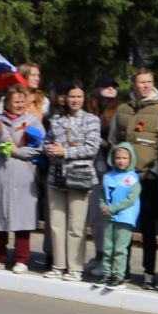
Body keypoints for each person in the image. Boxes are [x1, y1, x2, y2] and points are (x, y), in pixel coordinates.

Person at [112, 69, 158, 285]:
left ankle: (149, 273)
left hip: (147, 178)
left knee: (148, 228)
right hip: (124, 178)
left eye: (150, 82)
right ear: (133, 85)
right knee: (123, 227)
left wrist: (154, 172)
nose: (146, 86)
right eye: (142, 82)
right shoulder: (122, 109)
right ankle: (122, 270)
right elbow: (114, 141)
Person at [0, 83, 42, 271]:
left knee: (22, 216)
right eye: (16, 101)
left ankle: (21, 259)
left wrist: (18, 152)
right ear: (7, 103)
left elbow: (38, 148)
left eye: (23, 101)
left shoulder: (32, 121)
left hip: (22, 174)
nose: (20, 104)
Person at [41, 82, 101, 279]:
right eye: (72, 96)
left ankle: (75, 267)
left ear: (84, 99)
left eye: (79, 97)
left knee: (76, 225)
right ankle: (58, 265)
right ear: (65, 98)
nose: (75, 100)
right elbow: (47, 143)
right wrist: (49, 149)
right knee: (56, 223)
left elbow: (91, 148)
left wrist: (65, 151)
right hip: (56, 176)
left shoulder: (92, 120)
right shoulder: (56, 119)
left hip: (80, 177)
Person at [98, 142, 142, 288]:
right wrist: (103, 205)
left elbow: (131, 199)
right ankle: (107, 273)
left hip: (124, 218)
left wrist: (112, 208)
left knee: (120, 249)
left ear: (131, 160)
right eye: (118, 158)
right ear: (113, 158)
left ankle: (119, 275)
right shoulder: (108, 176)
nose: (121, 161)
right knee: (108, 246)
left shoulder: (133, 178)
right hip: (110, 217)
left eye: (125, 158)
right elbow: (102, 194)